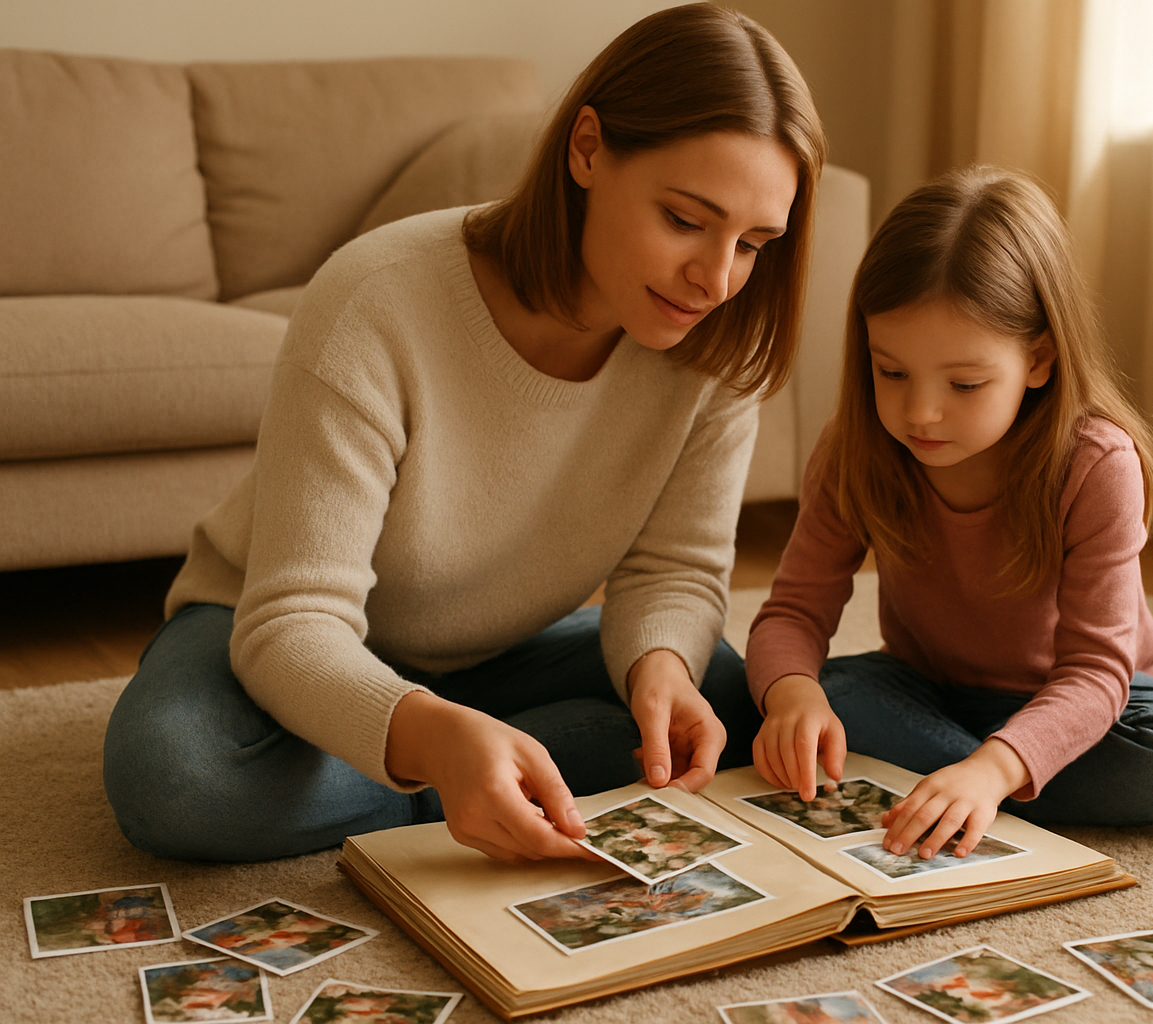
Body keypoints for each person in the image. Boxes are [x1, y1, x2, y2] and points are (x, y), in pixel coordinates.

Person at [102, 3, 826, 864]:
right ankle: (471, 774)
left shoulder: (716, 343)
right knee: (179, 779)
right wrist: (438, 744)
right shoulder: (376, 299)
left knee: (728, 701)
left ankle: (471, 765)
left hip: (498, 654)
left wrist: (658, 671)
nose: (715, 279)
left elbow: (674, 569)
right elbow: (294, 623)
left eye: (753, 244)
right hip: (269, 629)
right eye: (684, 220)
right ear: (587, 149)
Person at [747, 166, 1153, 861]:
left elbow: (1097, 672)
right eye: (892, 372)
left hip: (1082, 703)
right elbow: (794, 612)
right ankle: (971, 783)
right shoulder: (854, 448)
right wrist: (793, 697)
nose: (921, 412)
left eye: (965, 383)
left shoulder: (1096, 463)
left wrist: (992, 769)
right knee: (813, 697)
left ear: (1039, 360)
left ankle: (966, 782)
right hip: (925, 691)